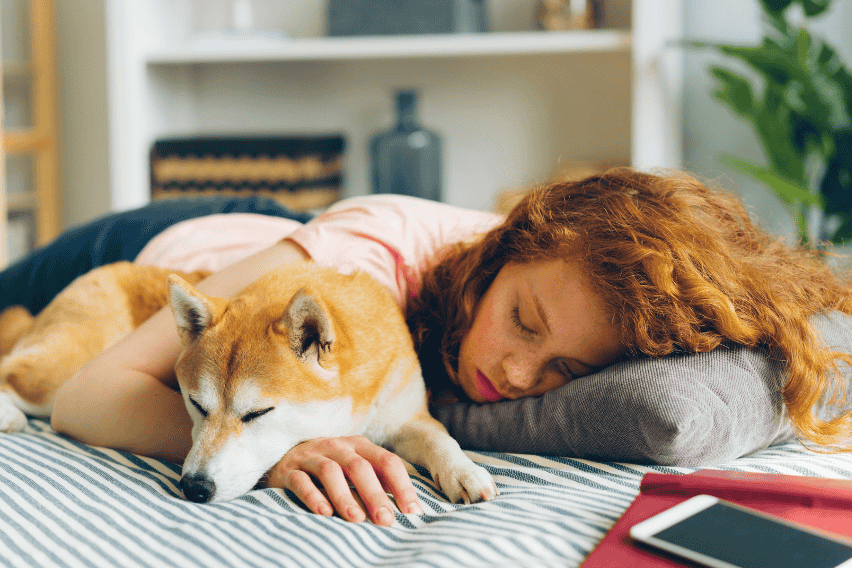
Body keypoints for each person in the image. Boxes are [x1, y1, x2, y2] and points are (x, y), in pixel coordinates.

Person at [6, 169, 852, 527]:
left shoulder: (589, 296)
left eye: (565, 372)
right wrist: (268, 451)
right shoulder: (355, 259)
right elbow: (86, 393)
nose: (517, 376)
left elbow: (807, 342)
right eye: (522, 320)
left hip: (273, 229)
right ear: (506, 246)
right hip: (152, 254)